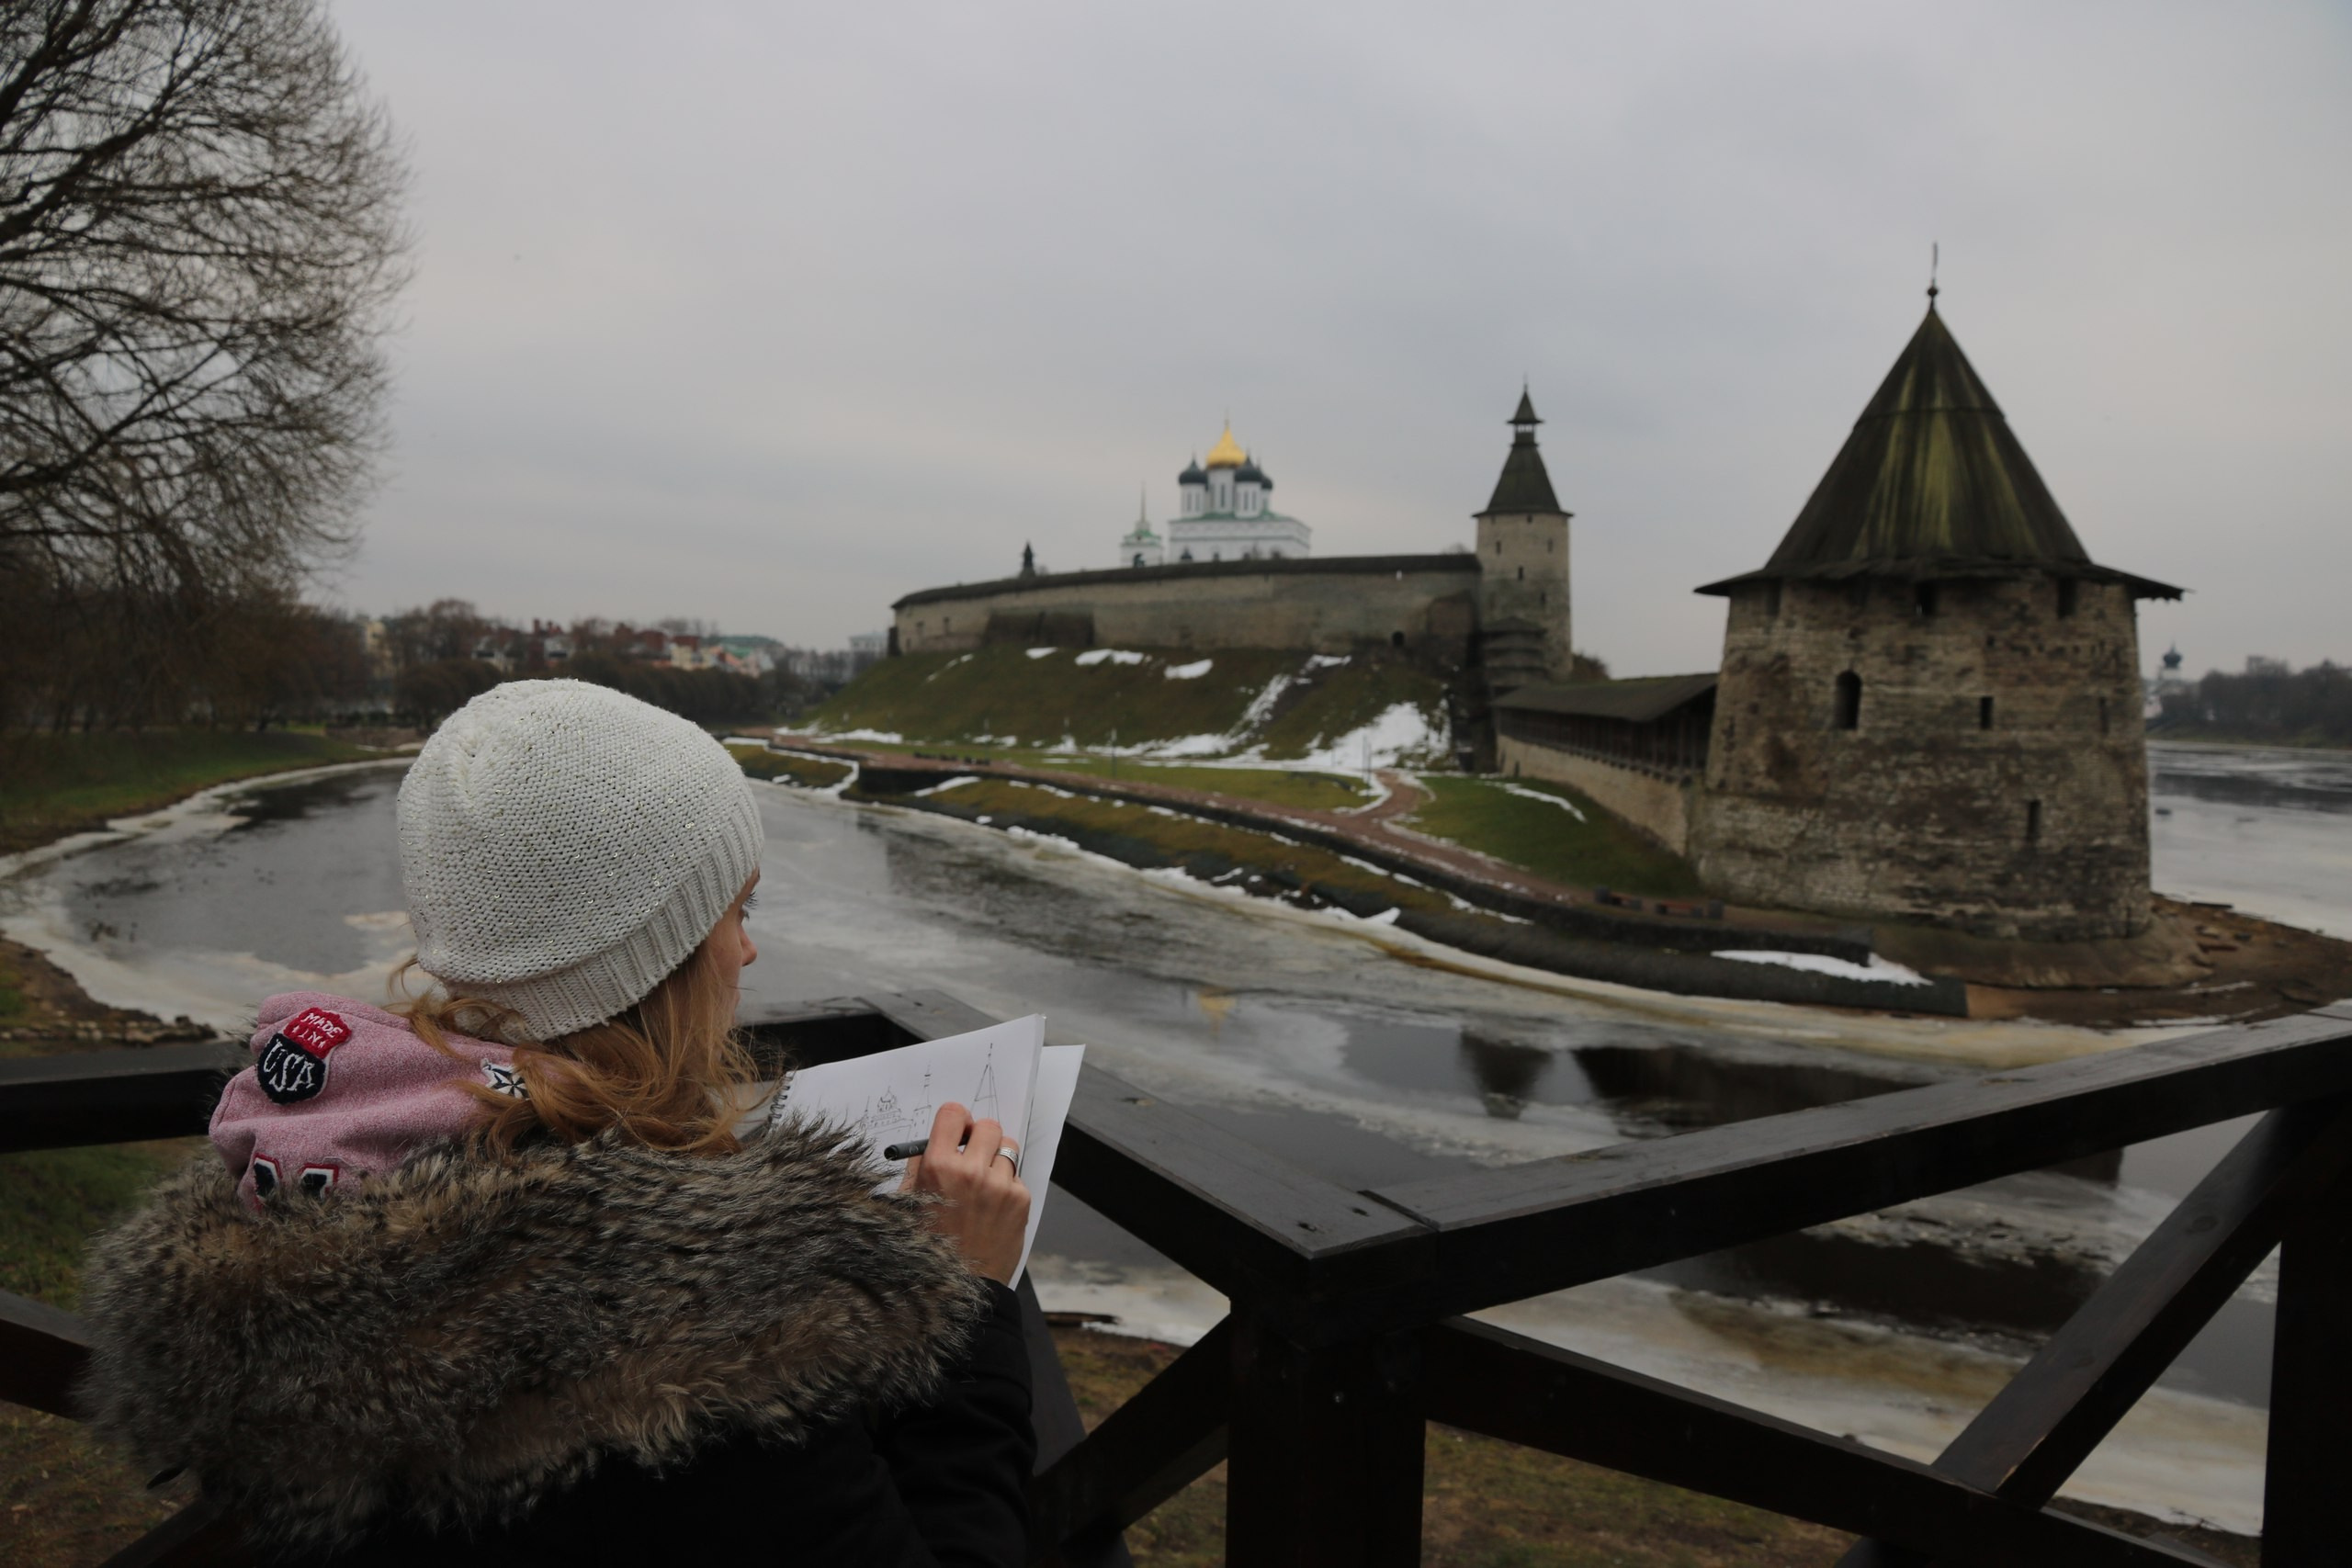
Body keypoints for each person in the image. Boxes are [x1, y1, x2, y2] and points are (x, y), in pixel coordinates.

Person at [79, 680, 1035, 1565]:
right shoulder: (693, 1322)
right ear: (647, 959)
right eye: (733, 910)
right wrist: (967, 1303)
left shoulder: (310, 1166)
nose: (748, 948)